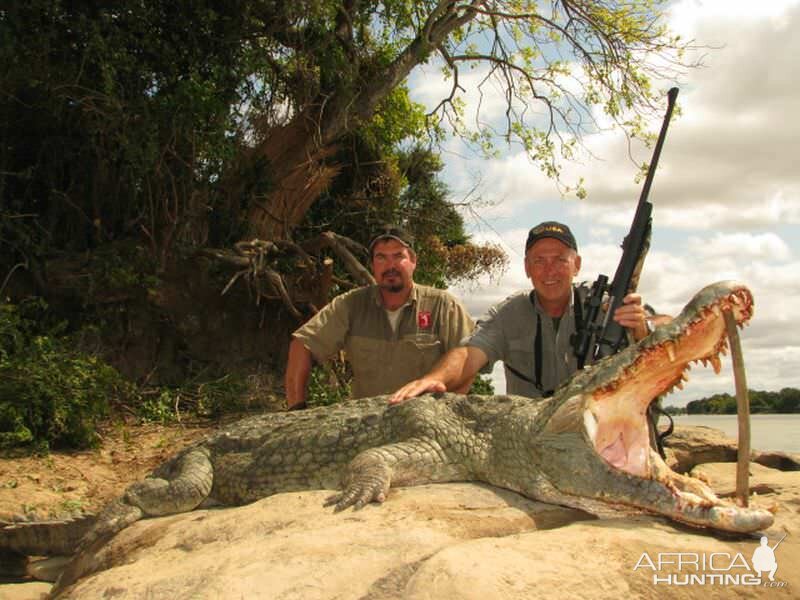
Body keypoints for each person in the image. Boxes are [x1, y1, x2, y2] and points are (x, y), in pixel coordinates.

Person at [390, 221, 655, 404]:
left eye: (560, 260)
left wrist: (641, 329)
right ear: (527, 268)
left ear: (577, 265)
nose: (549, 271)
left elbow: (662, 339)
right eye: (539, 261)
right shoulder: (508, 313)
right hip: (531, 436)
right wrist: (432, 380)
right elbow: (469, 355)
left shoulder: (607, 307)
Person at [285, 225, 475, 409]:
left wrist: (448, 417)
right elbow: (302, 345)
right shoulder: (350, 304)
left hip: (425, 422)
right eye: (381, 257)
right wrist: (296, 410)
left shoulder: (444, 305)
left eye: (398, 256)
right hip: (366, 425)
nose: (390, 265)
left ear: (413, 261)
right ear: (372, 265)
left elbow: (467, 360)